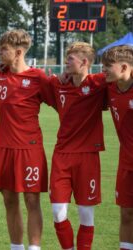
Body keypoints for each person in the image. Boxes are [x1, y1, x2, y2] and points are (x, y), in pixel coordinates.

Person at [0, 29, 53, 250]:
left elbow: (62, 102)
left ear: (18, 52)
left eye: (4, 49)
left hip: (30, 148)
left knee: (32, 201)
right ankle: (16, 247)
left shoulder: (39, 78)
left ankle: (34, 248)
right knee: (9, 200)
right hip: (4, 147)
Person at [48, 42, 107, 250]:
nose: (66, 62)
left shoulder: (100, 83)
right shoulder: (57, 84)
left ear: (85, 62)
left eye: (70, 58)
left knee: (86, 214)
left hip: (88, 156)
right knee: (57, 212)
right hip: (62, 155)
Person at [102, 45, 133, 250]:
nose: (103, 69)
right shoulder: (108, 85)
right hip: (126, 162)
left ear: (123, 67)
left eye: (107, 66)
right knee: (126, 212)